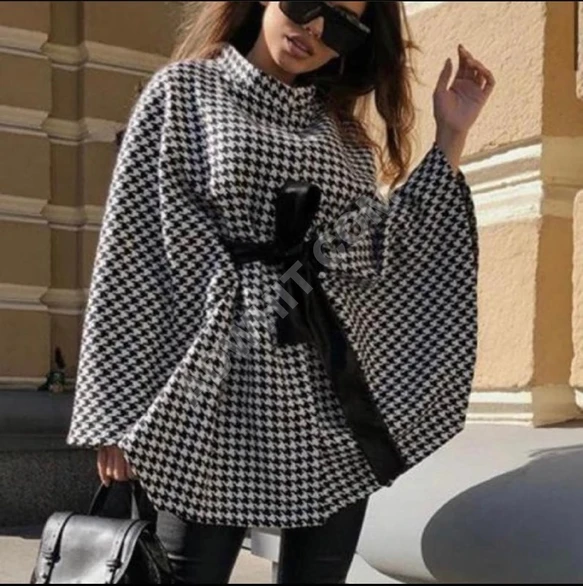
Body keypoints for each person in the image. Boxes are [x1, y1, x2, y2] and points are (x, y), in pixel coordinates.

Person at [66, 1, 495, 583]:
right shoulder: (184, 93)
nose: (314, 28)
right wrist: (116, 414)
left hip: (324, 405)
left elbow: (376, 251)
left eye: (340, 24)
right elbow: (134, 255)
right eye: (304, 4)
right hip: (209, 395)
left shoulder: (341, 132)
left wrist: (451, 136)